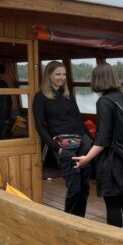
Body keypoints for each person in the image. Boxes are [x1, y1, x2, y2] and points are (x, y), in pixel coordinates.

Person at [73, 63, 123, 228]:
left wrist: (86, 159)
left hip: (113, 162)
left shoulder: (104, 102)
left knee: (113, 204)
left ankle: (117, 243)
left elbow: (102, 139)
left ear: (97, 80)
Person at [32, 60, 93, 217]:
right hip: (64, 147)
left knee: (85, 186)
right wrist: (56, 147)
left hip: (83, 143)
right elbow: (39, 127)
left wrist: (91, 140)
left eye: (64, 74)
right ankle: (69, 222)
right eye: (58, 74)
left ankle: (81, 221)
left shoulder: (68, 95)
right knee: (74, 188)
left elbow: (79, 119)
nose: (62, 77)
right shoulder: (40, 98)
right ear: (49, 76)